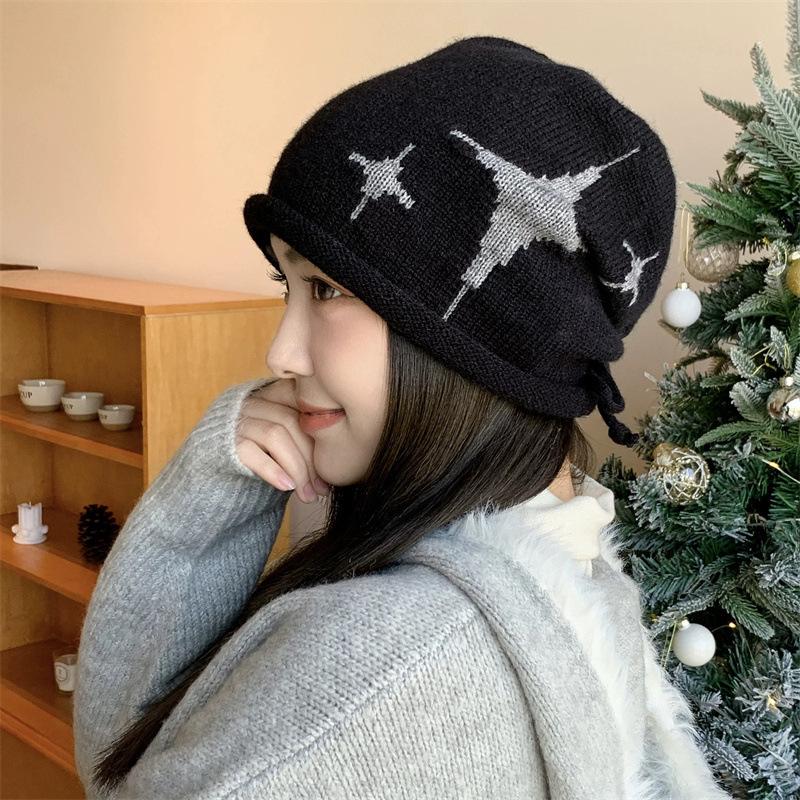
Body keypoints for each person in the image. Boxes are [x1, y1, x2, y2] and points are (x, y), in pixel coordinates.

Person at [73, 36, 733, 799]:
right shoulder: (574, 572)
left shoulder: (368, 676)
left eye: (326, 289)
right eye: (287, 286)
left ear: (485, 339)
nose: (281, 352)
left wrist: (199, 510)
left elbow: (114, 774)